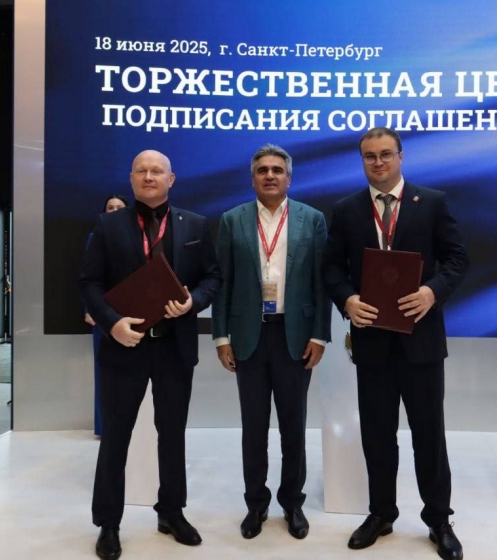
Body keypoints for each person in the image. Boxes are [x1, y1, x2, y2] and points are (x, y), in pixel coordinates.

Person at [323, 127, 469, 560]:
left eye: (386, 154)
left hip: (421, 341)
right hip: (371, 343)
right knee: (377, 435)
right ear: (362, 161)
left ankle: (439, 520)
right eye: (370, 156)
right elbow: (331, 268)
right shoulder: (347, 209)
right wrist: (347, 300)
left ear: (401, 156)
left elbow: (457, 258)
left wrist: (432, 291)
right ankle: (381, 513)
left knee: (429, 435)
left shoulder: (433, 202)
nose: (378, 162)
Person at [81, 150, 221, 560]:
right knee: (115, 437)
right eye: (141, 170)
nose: (148, 176)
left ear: (170, 179)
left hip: (174, 347)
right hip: (124, 345)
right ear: (131, 178)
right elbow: (89, 282)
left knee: (172, 434)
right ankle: (108, 523)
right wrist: (112, 323)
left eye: (156, 171)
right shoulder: (108, 225)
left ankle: (171, 513)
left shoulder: (196, 224)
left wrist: (193, 301)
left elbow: (213, 277)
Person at [212, 144, 332, 540]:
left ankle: (292, 503)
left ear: (288, 178)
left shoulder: (312, 219)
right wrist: (221, 336)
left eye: (277, 170)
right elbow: (223, 282)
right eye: (262, 170)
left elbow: (321, 281)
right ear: (252, 179)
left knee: (293, 427)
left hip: (294, 336)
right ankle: (255, 504)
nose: (269, 175)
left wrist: (319, 334)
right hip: (248, 336)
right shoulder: (232, 220)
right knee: (254, 428)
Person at [84, 194, 128, 437]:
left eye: (119, 207)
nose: (115, 210)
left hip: (134, 313)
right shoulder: (95, 238)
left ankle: (132, 426)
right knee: (104, 372)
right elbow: (88, 278)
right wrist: (90, 309)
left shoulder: (141, 236)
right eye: (110, 207)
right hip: (102, 314)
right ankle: (105, 427)